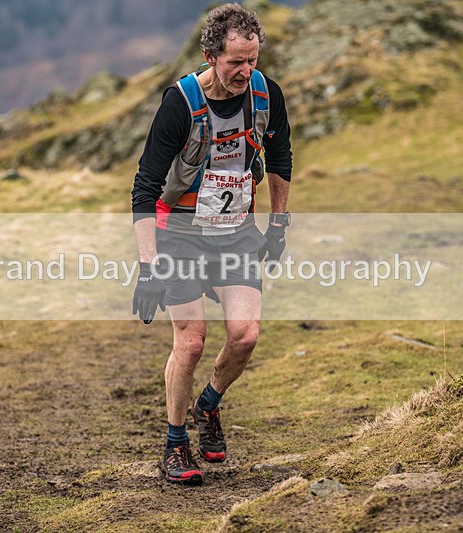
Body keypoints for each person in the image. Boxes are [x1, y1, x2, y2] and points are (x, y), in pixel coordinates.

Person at [131, 3, 292, 486]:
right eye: (234, 63)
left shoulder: (266, 94)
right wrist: (148, 266)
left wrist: (279, 226)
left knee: (245, 335)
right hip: (179, 232)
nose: (245, 71)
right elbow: (144, 187)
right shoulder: (179, 103)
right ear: (209, 56)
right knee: (192, 339)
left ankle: (210, 405)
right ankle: (175, 443)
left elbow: (281, 155)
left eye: (252, 60)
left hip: (237, 230)